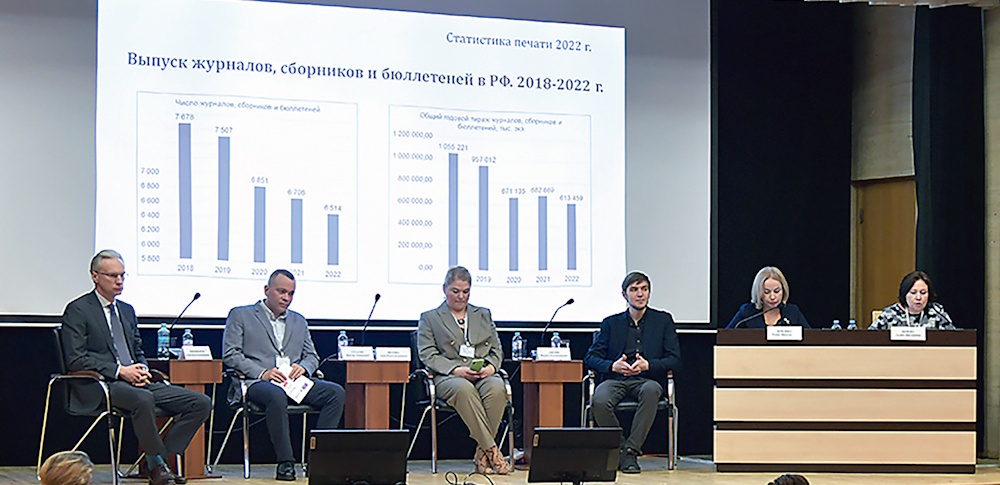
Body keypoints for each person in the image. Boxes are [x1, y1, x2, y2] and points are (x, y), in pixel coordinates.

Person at [61, 250, 211, 485]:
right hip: (101, 384)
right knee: (143, 399)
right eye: (112, 276)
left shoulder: (127, 310)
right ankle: (156, 465)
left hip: (135, 382)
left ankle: (161, 459)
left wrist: (142, 369)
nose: (119, 281)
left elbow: (136, 349)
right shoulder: (78, 310)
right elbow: (76, 359)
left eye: (122, 275)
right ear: (95, 276)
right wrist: (120, 371)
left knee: (200, 402)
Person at [222, 269, 346, 481]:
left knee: (336, 393)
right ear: (267, 290)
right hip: (257, 381)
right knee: (275, 394)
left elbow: (312, 356)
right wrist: (263, 373)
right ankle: (285, 463)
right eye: (281, 292)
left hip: (293, 382)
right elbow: (231, 354)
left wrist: (304, 368)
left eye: (290, 293)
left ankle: (319, 460)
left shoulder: (299, 321)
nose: (286, 298)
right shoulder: (241, 315)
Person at [583, 271, 681, 474]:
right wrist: (613, 366)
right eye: (634, 290)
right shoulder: (611, 323)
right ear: (624, 294)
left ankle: (631, 450)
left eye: (644, 289)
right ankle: (622, 451)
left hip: (646, 380)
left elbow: (675, 359)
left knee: (651, 391)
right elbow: (590, 358)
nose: (640, 294)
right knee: (599, 399)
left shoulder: (663, 320)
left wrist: (648, 365)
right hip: (616, 379)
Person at [417, 266, 511, 475]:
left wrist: (490, 367)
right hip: (449, 376)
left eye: (466, 291)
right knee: (464, 390)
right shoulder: (430, 318)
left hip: (482, 373)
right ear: (444, 289)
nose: (461, 296)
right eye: (455, 291)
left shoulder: (483, 314)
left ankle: (481, 455)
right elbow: (427, 354)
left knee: (497, 388)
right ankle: (493, 452)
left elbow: (496, 349)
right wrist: (456, 369)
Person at [726, 266, 810, 329]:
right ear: (758, 292)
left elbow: (810, 337)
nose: (772, 297)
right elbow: (726, 337)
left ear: (784, 290)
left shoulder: (793, 312)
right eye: (767, 292)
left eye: (777, 291)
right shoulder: (747, 312)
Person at [868, 270, 956, 330]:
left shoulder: (936, 312)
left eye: (923, 292)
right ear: (905, 294)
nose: (918, 297)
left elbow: (954, 337)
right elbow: (870, 338)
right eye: (913, 293)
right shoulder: (891, 314)